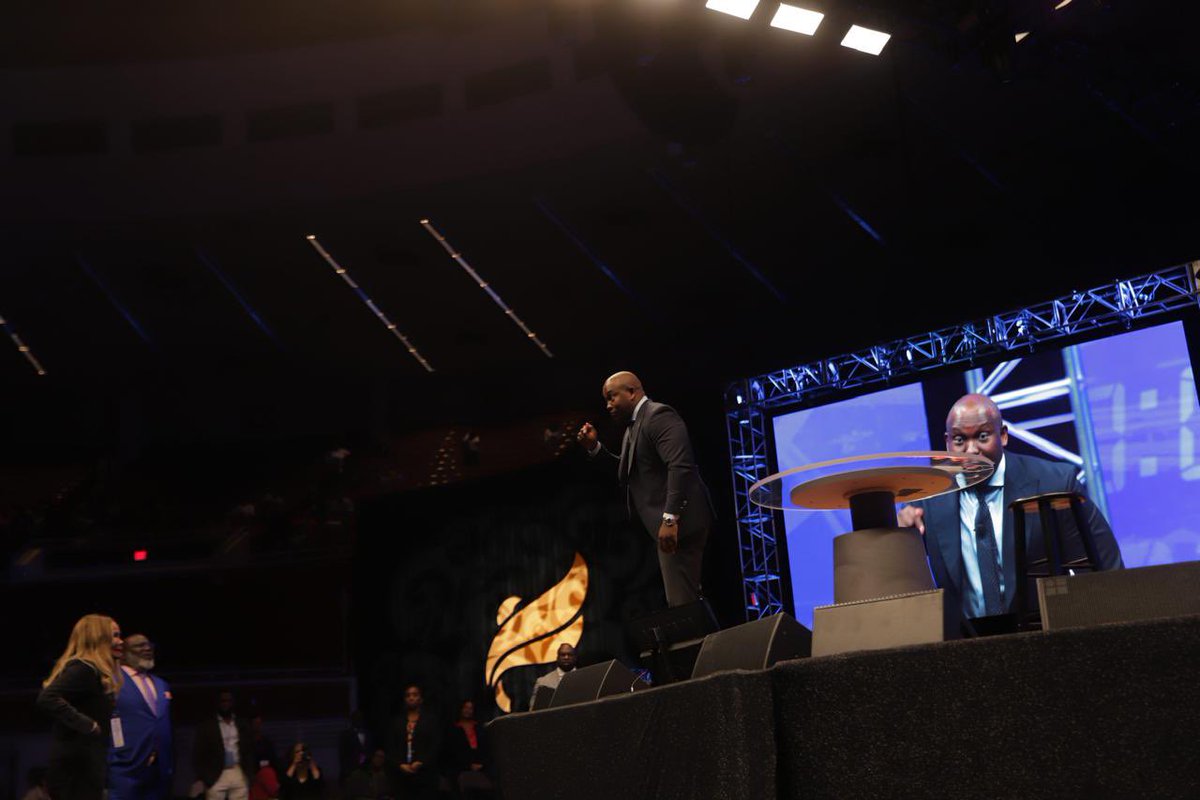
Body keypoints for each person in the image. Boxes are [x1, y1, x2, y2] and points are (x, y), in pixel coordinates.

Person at [898, 393, 1124, 620]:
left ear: (1003, 436)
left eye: (982, 436)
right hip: (967, 644)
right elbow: (902, 582)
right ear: (947, 443)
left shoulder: (1054, 482)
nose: (971, 450)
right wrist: (900, 537)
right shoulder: (928, 495)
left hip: (1045, 633)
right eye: (959, 440)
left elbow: (1106, 567)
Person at [577, 371, 715, 606]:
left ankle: (701, 641)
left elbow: (681, 466)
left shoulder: (658, 415)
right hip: (668, 527)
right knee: (685, 601)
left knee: (683, 604)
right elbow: (626, 473)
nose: (608, 405)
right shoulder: (633, 427)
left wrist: (670, 519)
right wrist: (595, 448)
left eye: (612, 397)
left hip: (681, 525)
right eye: (606, 400)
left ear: (632, 392)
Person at [37, 614, 124, 800]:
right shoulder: (84, 669)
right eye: (115, 635)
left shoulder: (97, 673)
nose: (120, 641)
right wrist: (87, 724)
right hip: (76, 770)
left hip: (86, 766)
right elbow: (48, 697)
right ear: (97, 637)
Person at [108, 634, 173, 800]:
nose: (147, 649)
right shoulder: (111, 681)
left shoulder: (161, 684)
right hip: (125, 768)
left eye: (149, 645)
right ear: (122, 653)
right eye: (139, 646)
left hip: (158, 769)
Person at [193, 690, 256, 800]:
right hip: (216, 773)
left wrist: (249, 774)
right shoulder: (208, 726)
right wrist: (205, 777)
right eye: (223, 701)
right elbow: (199, 752)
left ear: (233, 703)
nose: (225, 704)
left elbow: (249, 749)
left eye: (228, 700)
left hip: (238, 770)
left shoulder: (242, 724)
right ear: (218, 703)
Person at [388, 684, 440, 800]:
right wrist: (400, 764)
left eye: (415, 695)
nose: (411, 698)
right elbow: (391, 747)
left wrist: (421, 762)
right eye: (408, 695)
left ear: (420, 699)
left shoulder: (430, 721)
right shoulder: (397, 722)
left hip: (425, 776)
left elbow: (435, 746)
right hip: (402, 776)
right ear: (405, 700)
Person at [445, 700, 492, 798]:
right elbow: (453, 751)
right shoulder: (454, 729)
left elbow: (486, 747)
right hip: (460, 764)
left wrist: (481, 764)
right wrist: (468, 765)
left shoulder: (479, 727)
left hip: (480, 762)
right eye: (466, 707)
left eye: (470, 708)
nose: (468, 710)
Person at [337, 710, 373, 786]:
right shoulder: (345, 735)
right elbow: (342, 754)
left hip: (366, 771)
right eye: (356, 718)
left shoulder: (368, 734)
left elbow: (370, 751)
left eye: (360, 718)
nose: (359, 720)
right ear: (352, 720)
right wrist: (346, 772)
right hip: (351, 771)